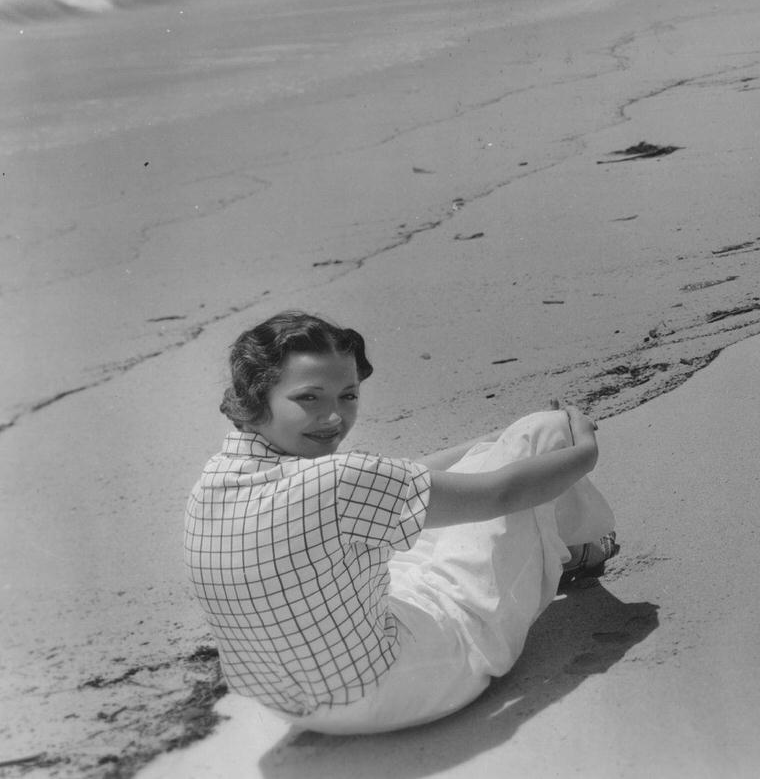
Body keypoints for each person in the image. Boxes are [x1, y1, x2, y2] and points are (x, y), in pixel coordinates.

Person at [183, 310, 617, 734]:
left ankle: (562, 547)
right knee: (542, 433)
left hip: (292, 709)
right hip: (399, 692)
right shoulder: (337, 483)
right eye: (309, 398)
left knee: (413, 531)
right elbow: (502, 493)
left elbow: (390, 480)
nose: (334, 417)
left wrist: (487, 442)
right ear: (259, 397)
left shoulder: (213, 481)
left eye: (348, 395)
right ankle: (582, 550)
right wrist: (583, 451)